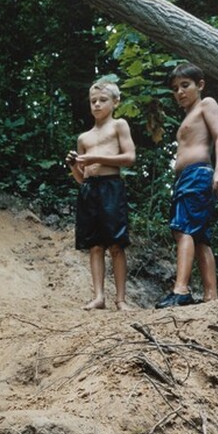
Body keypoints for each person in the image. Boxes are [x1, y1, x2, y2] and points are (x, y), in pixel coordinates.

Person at [155, 63, 218, 308]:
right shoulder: (189, 115)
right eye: (175, 89)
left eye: (185, 85)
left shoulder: (206, 105)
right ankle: (211, 296)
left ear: (200, 85)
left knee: (183, 229)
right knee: (199, 237)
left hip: (198, 174)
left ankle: (181, 289)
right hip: (187, 177)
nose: (179, 92)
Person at [65, 79, 136, 311]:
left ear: (115, 102)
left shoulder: (119, 126)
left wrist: (97, 159)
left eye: (102, 100)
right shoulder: (84, 138)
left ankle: (121, 299)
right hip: (89, 189)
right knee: (95, 245)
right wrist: (74, 166)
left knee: (116, 243)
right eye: (93, 101)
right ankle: (98, 297)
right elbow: (81, 177)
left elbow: (129, 158)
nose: (97, 105)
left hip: (111, 187)